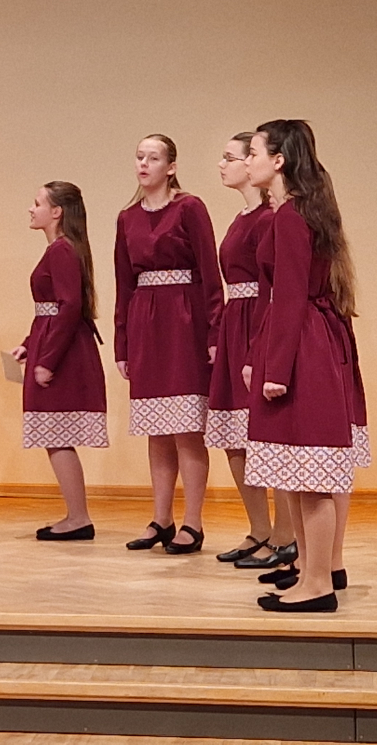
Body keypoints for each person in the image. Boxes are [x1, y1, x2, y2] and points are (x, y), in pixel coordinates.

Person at [244, 119, 363, 612]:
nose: (247, 161)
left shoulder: (292, 217)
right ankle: (313, 573)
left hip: (302, 351)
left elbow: (290, 296)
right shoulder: (295, 212)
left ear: (279, 161)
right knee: (295, 471)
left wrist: (275, 369)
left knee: (310, 474)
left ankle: (317, 584)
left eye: (253, 153)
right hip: (303, 343)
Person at [114, 135, 222, 555]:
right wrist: (122, 342)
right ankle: (161, 518)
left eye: (153, 157)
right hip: (146, 323)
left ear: (171, 167)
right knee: (156, 429)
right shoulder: (127, 218)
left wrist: (214, 332)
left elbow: (210, 273)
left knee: (186, 428)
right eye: (139, 156)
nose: (144, 164)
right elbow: (124, 283)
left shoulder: (189, 208)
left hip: (184, 321)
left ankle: (193, 522)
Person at [205, 136, 295, 570]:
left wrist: (257, 345)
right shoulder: (242, 218)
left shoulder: (270, 217)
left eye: (231, 157)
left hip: (256, 320)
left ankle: (285, 534)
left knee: (264, 435)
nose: (222, 165)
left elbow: (272, 282)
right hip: (234, 321)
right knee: (233, 438)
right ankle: (259, 528)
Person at [11, 182, 108, 541]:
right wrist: (29, 345)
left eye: (37, 203)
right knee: (56, 436)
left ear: (56, 212)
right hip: (52, 344)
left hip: (63, 353)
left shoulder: (62, 251)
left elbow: (68, 308)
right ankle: (76, 514)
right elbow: (51, 311)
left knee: (58, 435)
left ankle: (78, 517)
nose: (31, 209)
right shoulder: (61, 250)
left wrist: (48, 359)